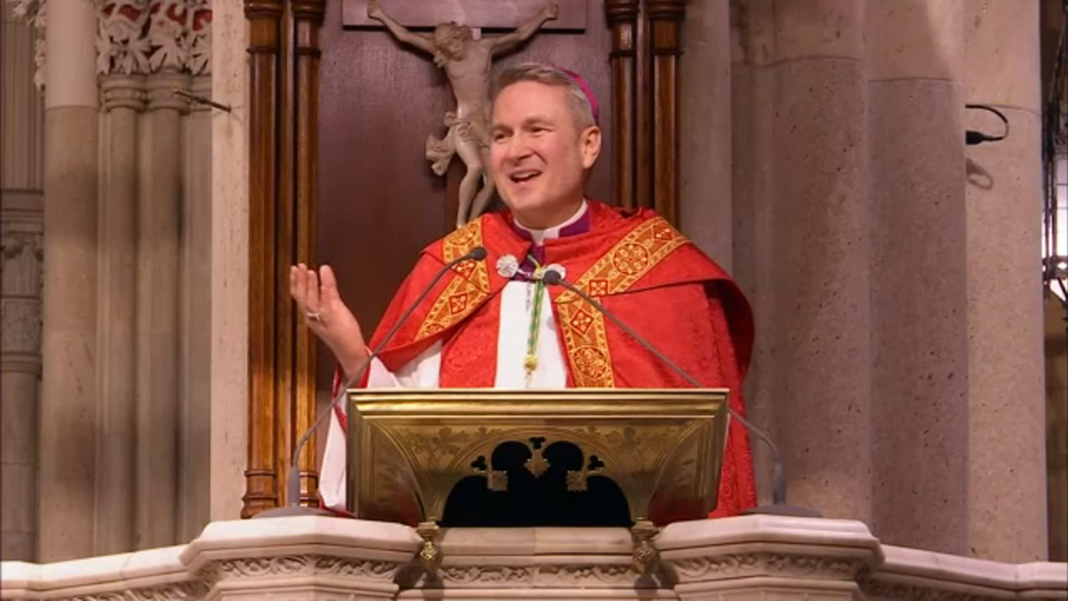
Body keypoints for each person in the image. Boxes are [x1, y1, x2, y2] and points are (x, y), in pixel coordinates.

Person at [290, 62, 757, 520]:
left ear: (588, 144)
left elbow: (708, 462)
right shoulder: (455, 263)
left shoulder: (660, 267)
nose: (515, 151)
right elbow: (401, 445)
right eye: (501, 135)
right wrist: (352, 351)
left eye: (536, 130)